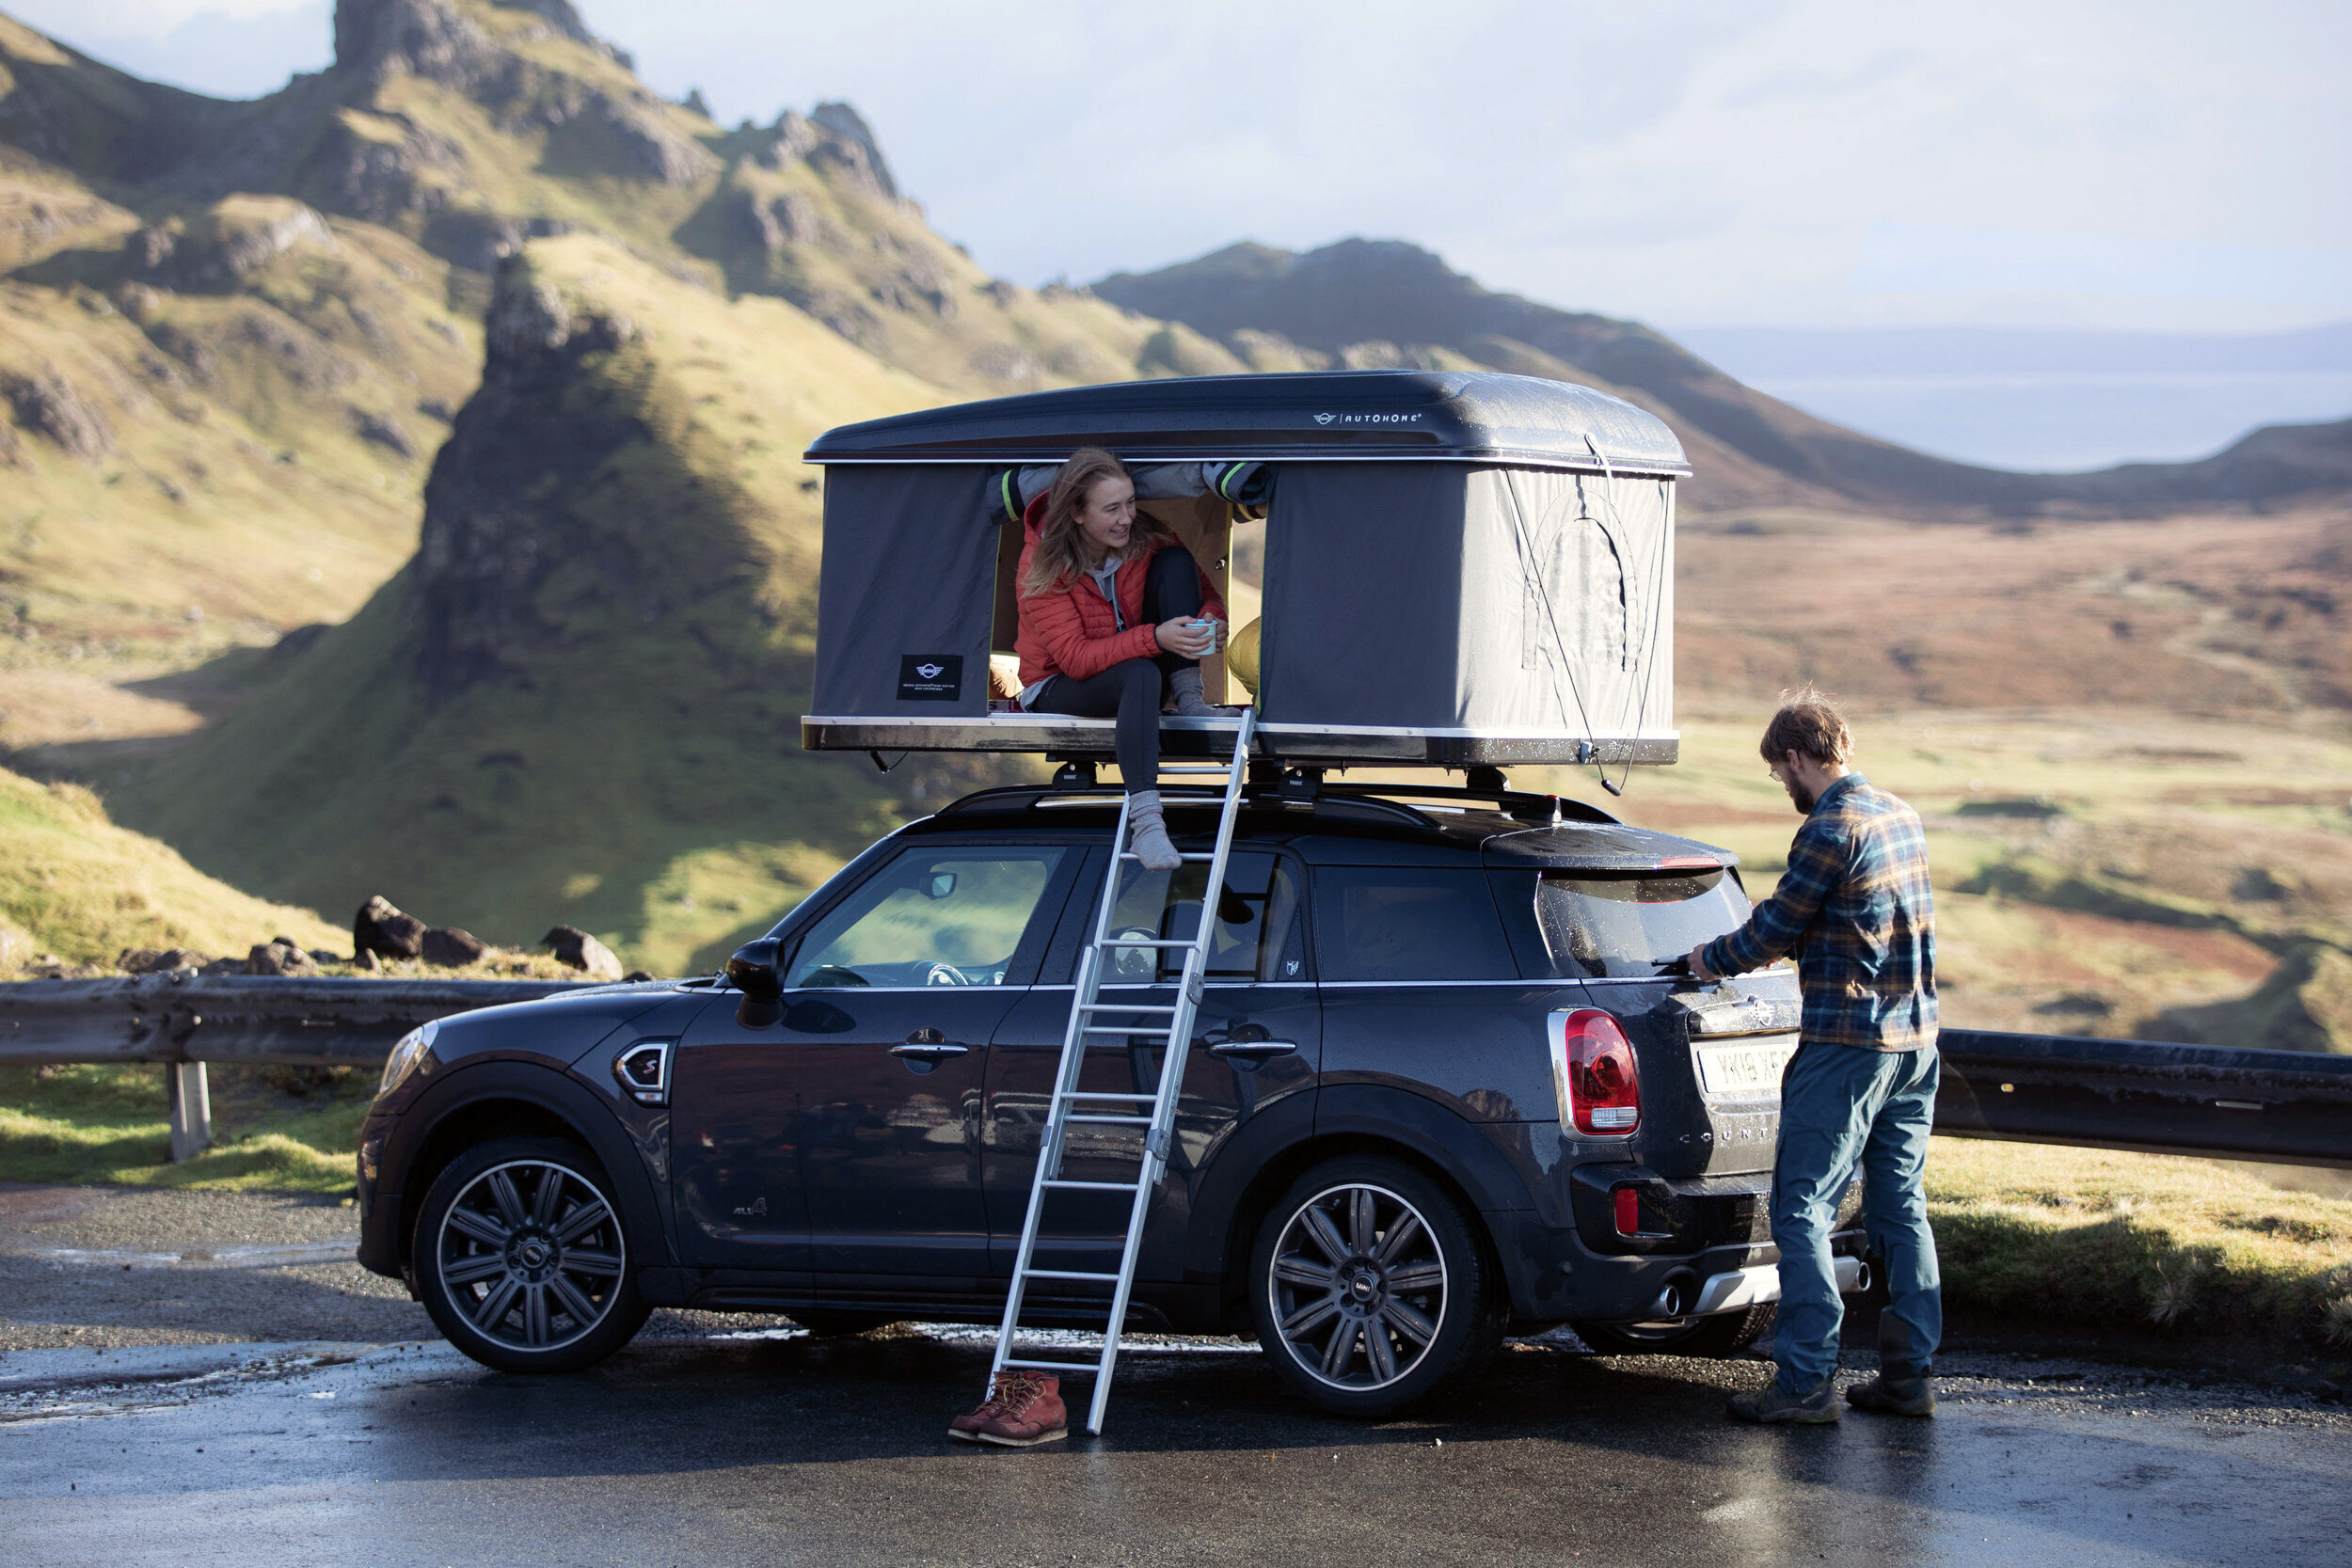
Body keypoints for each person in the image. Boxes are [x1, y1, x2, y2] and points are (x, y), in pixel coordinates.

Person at [1685, 689, 1941, 1424]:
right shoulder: (1901, 815)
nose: (1783, 787)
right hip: (1916, 1045)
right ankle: (1909, 1376)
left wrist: (1710, 959)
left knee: (1800, 1205)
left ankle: (1803, 1384)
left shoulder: (1830, 827)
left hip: (1846, 1047)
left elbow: (1773, 927)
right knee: (1901, 1204)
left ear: (1797, 756)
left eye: (1779, 773)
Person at [1012, 447, 1232, 875]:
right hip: (1060, 684)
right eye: (1111, 508)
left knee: (1174, 560)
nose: (1126, 517)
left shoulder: (1146, 534)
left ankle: (1190, 698)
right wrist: (1155, 637)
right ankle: (1147, 822)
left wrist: (1210, 619)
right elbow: (1074, 659)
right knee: (1140, 671)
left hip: (1137, 669)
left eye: (1130, 502)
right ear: (1076, 512)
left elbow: (1200, 586)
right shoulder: (1042, 562)